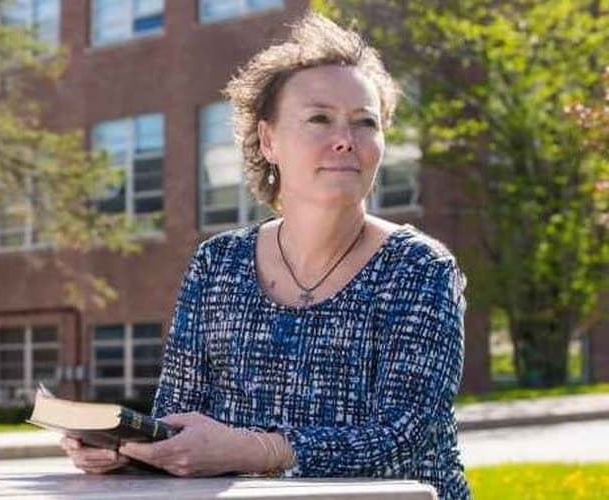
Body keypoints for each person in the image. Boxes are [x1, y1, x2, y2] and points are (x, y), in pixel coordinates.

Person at [60, 12, 471, 500]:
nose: (346, 138)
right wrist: (130, 451)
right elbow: (178, 416)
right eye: (319, 118)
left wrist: (255, 450)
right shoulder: (217, 265)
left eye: (365, 122)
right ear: (268, 139)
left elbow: (402, 437)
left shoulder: (418, 268)